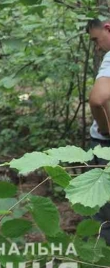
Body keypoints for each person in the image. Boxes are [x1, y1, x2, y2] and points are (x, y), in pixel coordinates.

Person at [85, 18, 110, 245]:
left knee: (104, 215)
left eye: (96, 39)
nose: (97, 47)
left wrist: (106, 130)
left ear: (107, 27)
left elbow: (97, 99)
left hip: (104, 146)